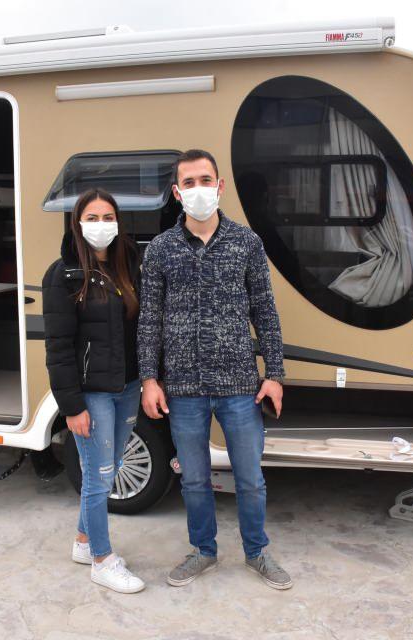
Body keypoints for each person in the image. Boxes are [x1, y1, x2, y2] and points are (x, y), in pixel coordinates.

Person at [137, 149, 292, 590]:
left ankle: (257, 552)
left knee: (250, 479)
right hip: (183, 388)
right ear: (177, 192)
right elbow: (150, 319)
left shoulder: (247, 243)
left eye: (205, 180)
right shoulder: (161, 250)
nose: (198, 189)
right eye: (189, 183)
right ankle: (203, 551)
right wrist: (149, 379)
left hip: (240, 386)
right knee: (194, 480)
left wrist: (274, 374)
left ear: (220, 186)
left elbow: (265, 311)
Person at [42, 188, 145, 594]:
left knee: (111, 466)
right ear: (77, 224)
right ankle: (102, 560)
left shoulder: (127, 265)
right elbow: (58, 347)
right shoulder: (63, 274)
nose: (101, 225)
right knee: (99, 477)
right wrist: (72, 406)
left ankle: (84, 542)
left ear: (118, 222)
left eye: (108, 217)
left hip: (128, 386)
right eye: (92, 218)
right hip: (92, 393)